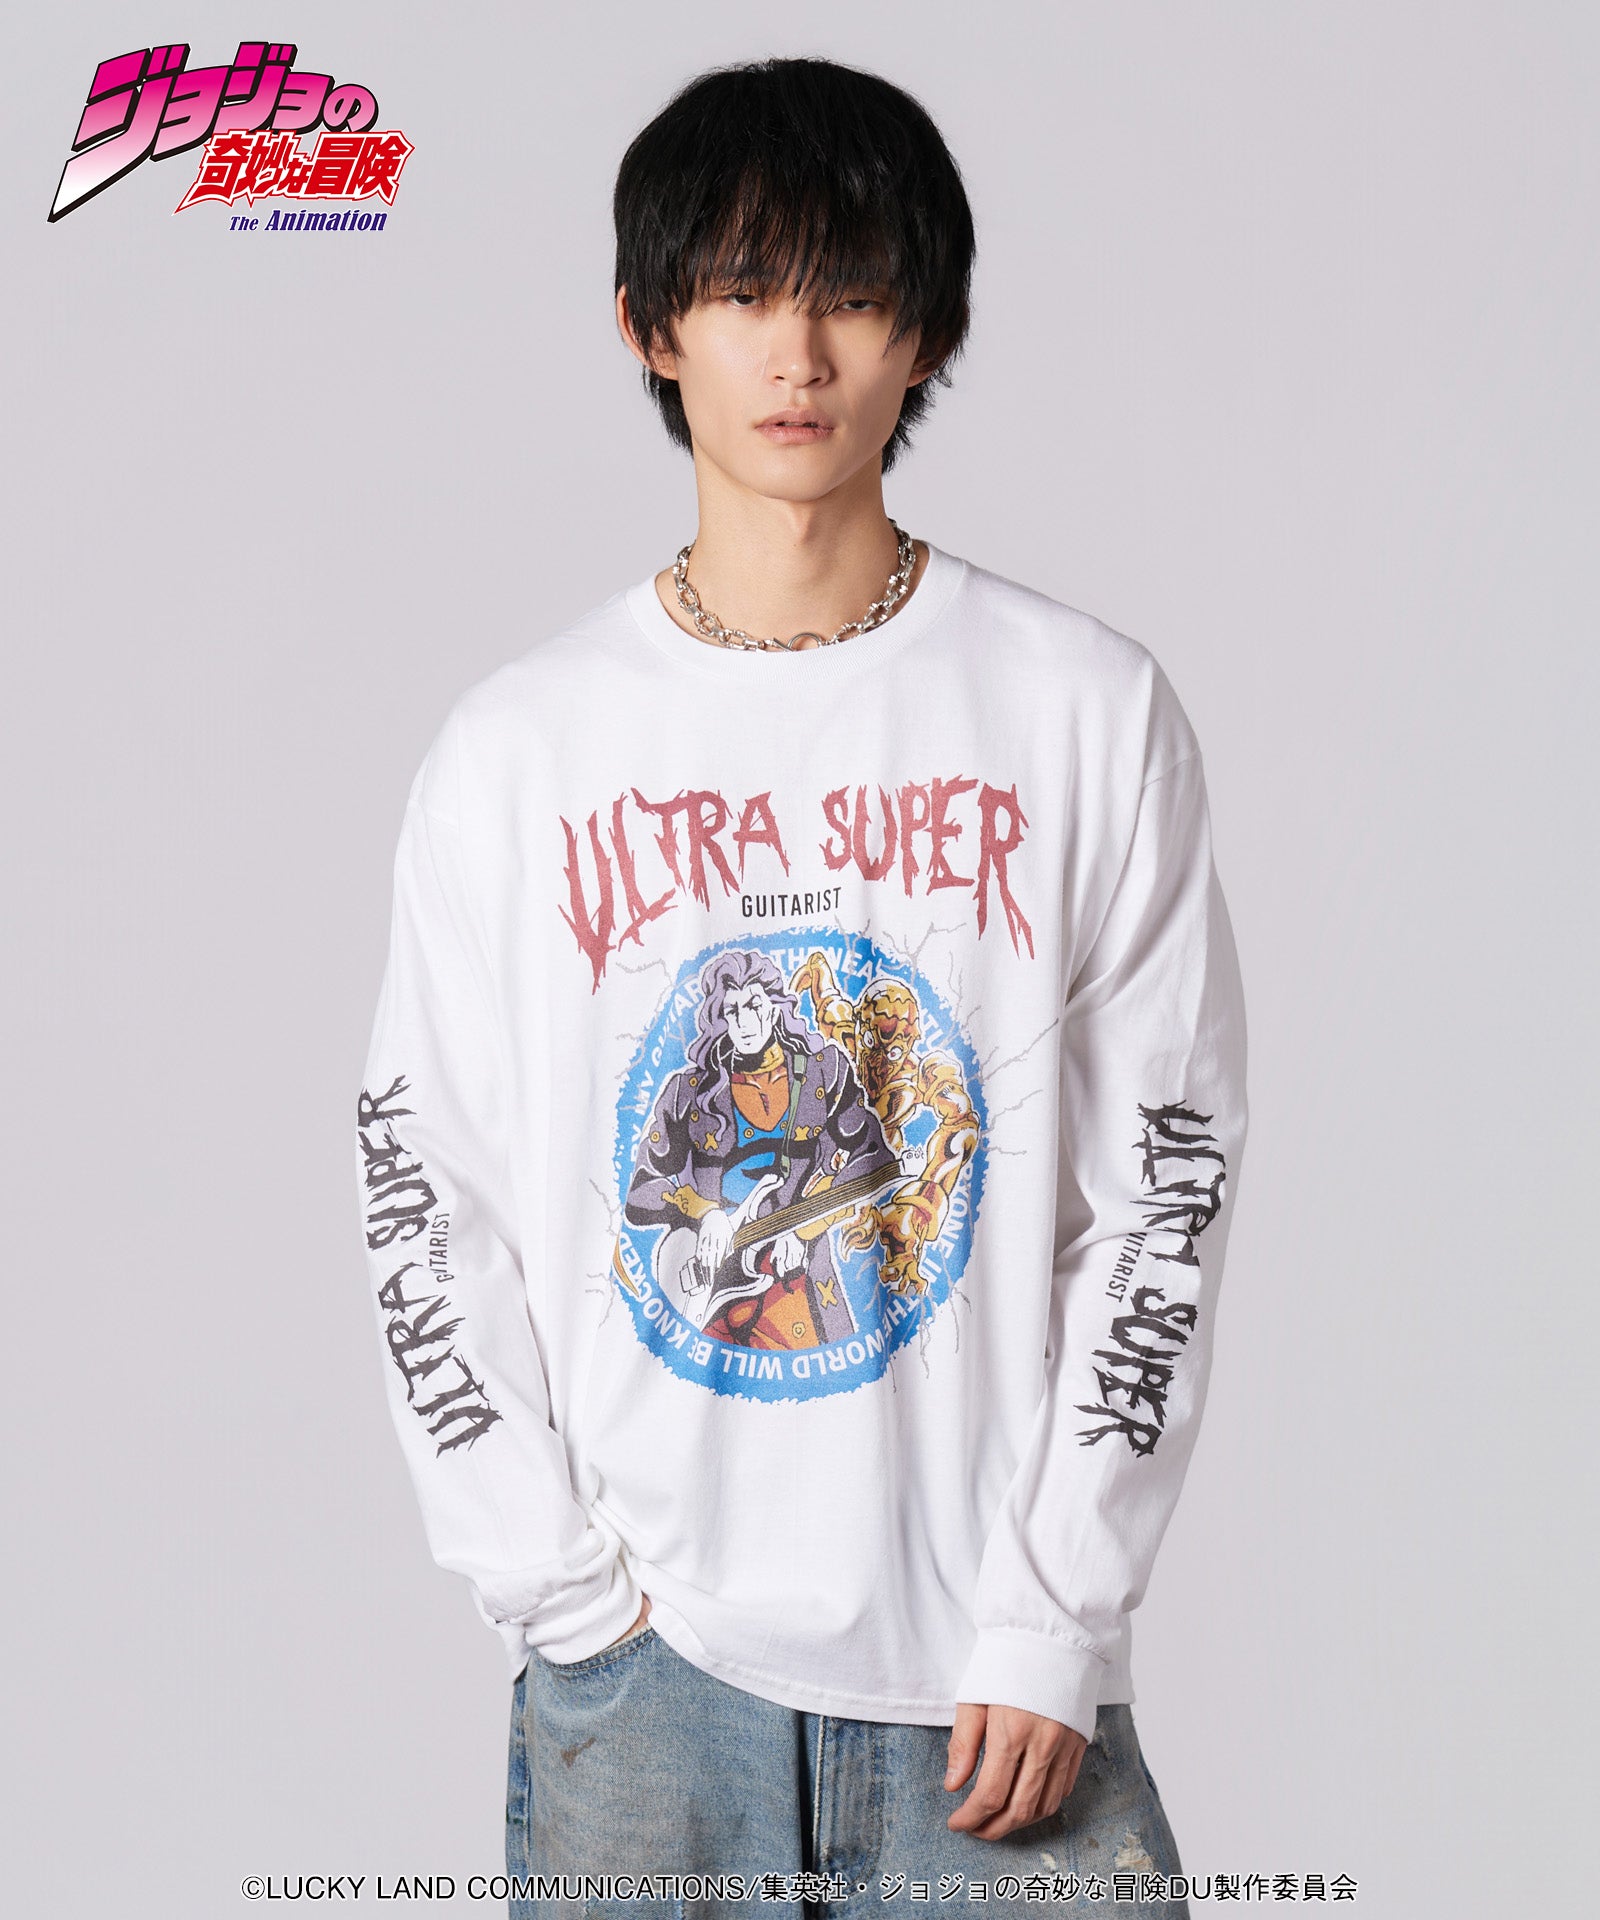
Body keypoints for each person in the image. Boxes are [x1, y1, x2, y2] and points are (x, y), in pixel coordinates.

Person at [355, 54, 1247, 1918]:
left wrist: (1058, 1611)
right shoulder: (520, 752)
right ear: (648, 325)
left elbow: (1164, 1185)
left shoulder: (1083, 714)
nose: (798, 352)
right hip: (644, 1688)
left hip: (995, 1682)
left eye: (848, 290)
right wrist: (562, 1601)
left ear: (933, 329)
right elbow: (424, 1186)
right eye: (745, 290)